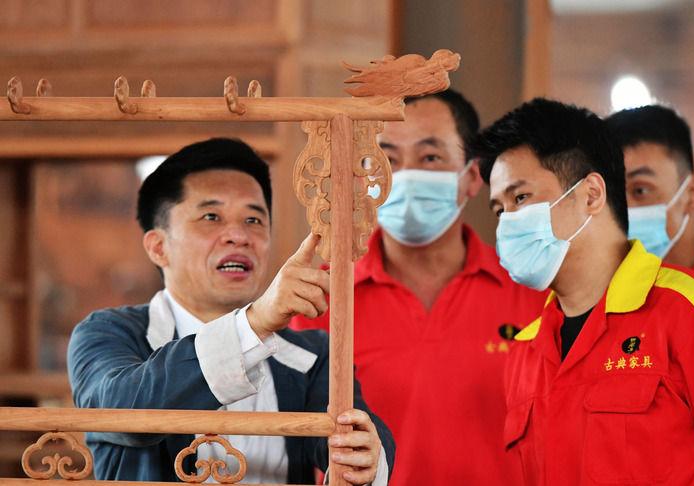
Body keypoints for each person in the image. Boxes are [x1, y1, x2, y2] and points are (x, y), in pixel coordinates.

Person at [67, 138, 394, 484]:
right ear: (159, 247)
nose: (239, 236)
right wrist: (254, 325)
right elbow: (120, 413)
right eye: (211, 216)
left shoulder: (313, 354)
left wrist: (366, 457)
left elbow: (354, 433)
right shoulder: (107, 333)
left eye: (254, 219)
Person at [293, 89, 545, 485]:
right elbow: (296, 448)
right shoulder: (321, 297)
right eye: (387, 160)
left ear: (472, 177)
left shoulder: (533, 290)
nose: (404, 175)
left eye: (430, 157)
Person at [478, 98, 694, 485]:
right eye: (499, 210)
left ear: (591, 194)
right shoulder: (526, 353)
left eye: (520, 198)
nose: (507, 223)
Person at [605, 104, 694, 281]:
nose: (622, 209)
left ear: (693, 193)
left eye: (640, 190)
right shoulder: (607, 288)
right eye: (612, 194)